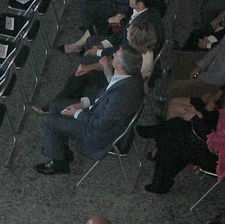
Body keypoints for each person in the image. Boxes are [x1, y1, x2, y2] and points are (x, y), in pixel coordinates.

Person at [34, 46, 144, 175]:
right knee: (55, 105)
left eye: (116, 55)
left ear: (120, 66)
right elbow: (103, 94)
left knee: (50, 122)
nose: (113, 54)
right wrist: (82, 104)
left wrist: (76, 113)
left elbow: (101, 124)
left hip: (96, 132)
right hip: (97, 112)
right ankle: (61, 151)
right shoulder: (131, 74)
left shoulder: (121, 96)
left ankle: (59, 163)